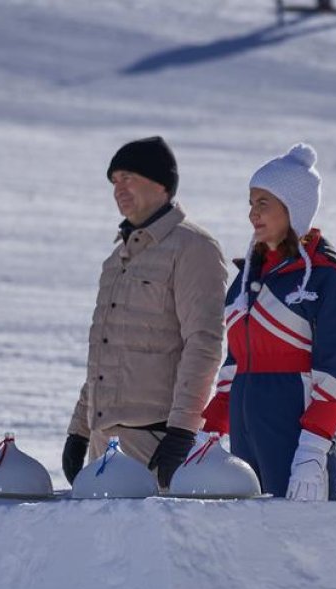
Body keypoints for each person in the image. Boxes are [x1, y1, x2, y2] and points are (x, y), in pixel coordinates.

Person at [63, 136, 228, 489]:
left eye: (128, 177)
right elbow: (105, 352)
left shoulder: (192, 248)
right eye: (114, 181)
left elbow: (204, 344)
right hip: (102, 445)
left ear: (161, 184)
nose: (118, 189)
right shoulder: (116, 260)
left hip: (154, 444)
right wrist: (79, 429)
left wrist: (182, 431)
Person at [200, 143, 336, 501]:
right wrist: (209, 431)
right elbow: (234, 366)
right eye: (251, 203)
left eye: (263, 203)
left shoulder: (325, 281)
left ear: (294, 209)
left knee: (303, 548)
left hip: (295, 442)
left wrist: (313, 449)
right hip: (245, 440)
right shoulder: (245, 284)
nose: (252, 214)